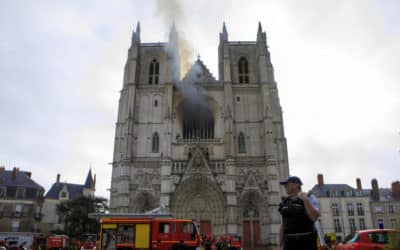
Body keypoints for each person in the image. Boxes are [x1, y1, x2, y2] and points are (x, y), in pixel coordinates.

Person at [278, 176, 320, 250]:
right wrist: (280, 245)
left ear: (296, 185)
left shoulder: (310, 197)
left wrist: (305, 200)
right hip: (289, 244)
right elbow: (283, 224)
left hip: (306, 243)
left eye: (287, 184)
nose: (285, 186)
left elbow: (314, 217)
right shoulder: (285, 202)